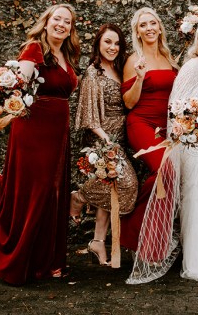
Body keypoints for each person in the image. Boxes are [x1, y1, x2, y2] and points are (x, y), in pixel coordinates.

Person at [0, 4, 80, 285]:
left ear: (71, 28)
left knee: (54, 192)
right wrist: (13, 89)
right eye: (57, 19)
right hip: (33, 127)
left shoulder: (66, 53)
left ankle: (50, 261)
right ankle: (25, 260)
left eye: (67, 21)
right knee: (36, 191)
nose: (61, 25)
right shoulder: (34, 49)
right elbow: (20, 81)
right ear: (46, 22)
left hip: (58, 131)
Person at [127, 18, 198, 284]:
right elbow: (175, 107)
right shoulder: (190, 68)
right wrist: (192, 131)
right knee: (197, 197)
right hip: (195, 145)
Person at [71, 23, 139, 266]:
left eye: (117, 43)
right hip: (103, 140)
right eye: (107, 42)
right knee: (126, 183)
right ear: (98, 44)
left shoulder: (120, 68)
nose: (112, 47)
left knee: (112, 190)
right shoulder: (93, 72)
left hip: (119, 138)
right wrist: (105, 139)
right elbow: (88, 114)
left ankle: (98, 242)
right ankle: (78, 197)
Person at [120, 7, 179, 253]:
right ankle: (133, 231)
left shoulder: (169, 57)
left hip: (167, 128)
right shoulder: (135, 60)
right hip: (141, 123)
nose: (149, 28)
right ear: (138, 32)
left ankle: (153, 237)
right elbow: (128, 102)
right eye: (143, 25)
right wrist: (141, 78)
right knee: (165, 171)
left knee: (172, 177)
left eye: (153, 23)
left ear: (160, 27)